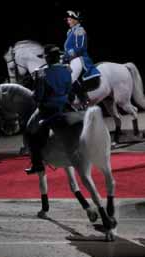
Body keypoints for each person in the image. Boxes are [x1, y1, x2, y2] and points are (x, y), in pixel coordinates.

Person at [24, 44, 72, 174]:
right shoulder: (67, 70)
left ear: (47, 58)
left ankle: (37, 164)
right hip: (65, 106)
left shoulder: (42, 74)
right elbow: (69, 89)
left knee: (30, 132)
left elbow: (38, 96)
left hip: (49, 108)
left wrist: (34, 92)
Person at [63, 10, 101, 106]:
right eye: (68, 20)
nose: (68, 21)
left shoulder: (79, 30)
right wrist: (63, 55)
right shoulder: (70, 32)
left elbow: (80, 48)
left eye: (70, 19)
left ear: (76, 20)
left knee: (70, 79)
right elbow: (68, 48)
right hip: (72, 58)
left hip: (79, 58)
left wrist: (67, 56)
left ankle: (83, 99)